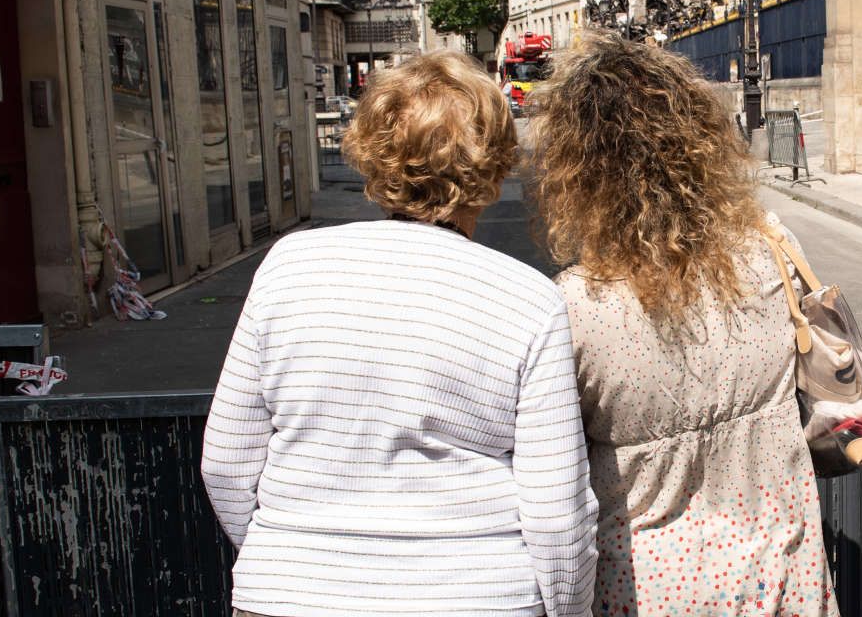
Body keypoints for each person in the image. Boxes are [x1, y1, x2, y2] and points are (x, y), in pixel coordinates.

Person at [201, 50, 598, 617]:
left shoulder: (289, 267)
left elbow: (226, 462)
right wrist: (569, 609)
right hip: (473, 594)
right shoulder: (527, 299)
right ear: (493, 166)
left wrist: (291, 555)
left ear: (375, 153)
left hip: (294, 593)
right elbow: (557, 508)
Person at [526, 31, 837, 616]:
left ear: (580, 170)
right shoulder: (772, 249)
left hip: (650, 591)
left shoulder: (574, 308)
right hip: (780, 572)